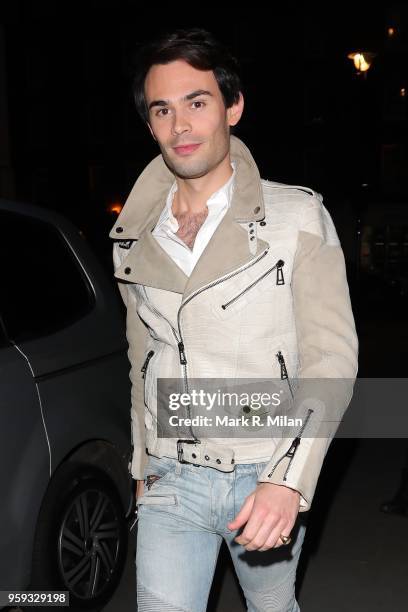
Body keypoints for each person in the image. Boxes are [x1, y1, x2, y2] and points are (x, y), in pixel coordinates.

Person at [110, 28, 358, 612]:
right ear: (150, 124)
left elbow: (332, 358)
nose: (181, 126)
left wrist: (288, 478)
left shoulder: (296, 215)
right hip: (173, 478)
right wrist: (143, 464)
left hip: (264, 471)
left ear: (233, 106)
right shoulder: (133, 237)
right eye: (162, 110)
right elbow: (140, 356)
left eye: (197, 102)